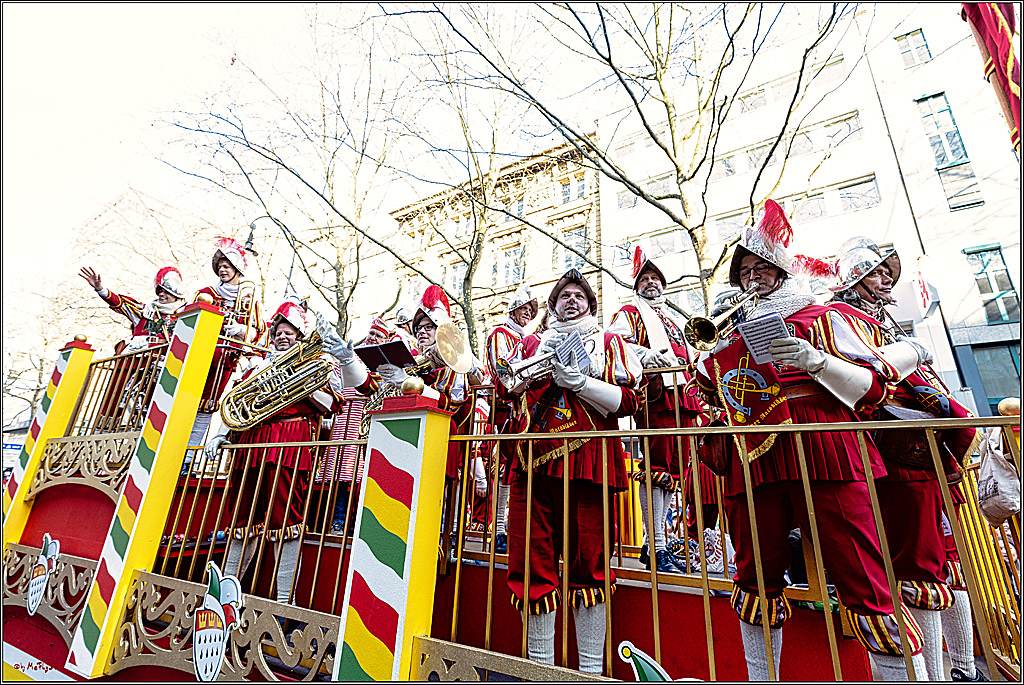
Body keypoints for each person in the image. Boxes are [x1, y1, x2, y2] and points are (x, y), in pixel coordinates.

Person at [694, 200, 927, 681]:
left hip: (828, 453)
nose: (753, 278)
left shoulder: (823, 316)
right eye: (745, 272)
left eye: (762, 268)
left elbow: (874, 386)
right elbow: (715, 405)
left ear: (782, 270)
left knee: (866, 579)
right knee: (754, 580)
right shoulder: (726, 337)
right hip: (755, 462)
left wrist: (815, 360)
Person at [825, 237, 984, 682]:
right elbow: (874, 376)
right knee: (918, 567)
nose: (885, 283)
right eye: (876, 274)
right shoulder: (842, 318)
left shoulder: (882, 321)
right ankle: (934, 674)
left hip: (930, 450)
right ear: (855, 279)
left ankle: (963, 668)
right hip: (899, 453)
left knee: (945, 565)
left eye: (886, 275)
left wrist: (951, 416)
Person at [505, 268, 644, 674]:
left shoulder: (608, 342)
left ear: (590, 304)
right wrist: (518, 381)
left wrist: (580, 382)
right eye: (563, 295)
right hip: (533, 463)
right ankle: (542, 670)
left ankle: (590, 673)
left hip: (590, 462)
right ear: (552, 305)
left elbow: (629, 402)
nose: (571, 301)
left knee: (592, 563)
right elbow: (506, 389)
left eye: (578, 296)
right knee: (532, 562)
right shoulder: (531, 342)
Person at [204, 301, 343, 604]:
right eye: (278, 331)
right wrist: (220, 434)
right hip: (250, 444)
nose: (282, 337)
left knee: (286, 519)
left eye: (289, 332)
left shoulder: (315, 364)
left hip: (289, 442)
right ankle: (224, 597)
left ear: (300, 336)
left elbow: (333, 405)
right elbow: (236, 404)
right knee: (240, 518)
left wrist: (302, 383)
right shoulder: (258, 365)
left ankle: (284, 602)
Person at [608, 247, 709, 573]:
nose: (652, 283)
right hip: (658, 395)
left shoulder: (672, 317)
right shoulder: (630, 311)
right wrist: (650, 358)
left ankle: (657, 545)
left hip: (685, 395)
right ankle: (655, 545)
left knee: (673, 473)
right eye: (646, 278)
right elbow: (615, 343)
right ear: (637, 285)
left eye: (656, 278)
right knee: (656, 468)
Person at [485, 284, 540, 555]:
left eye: (531, 310)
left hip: (526, 405)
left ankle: (512, 526)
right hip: (507, 405)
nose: (527, 314)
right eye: (524, 309)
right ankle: (497, 529)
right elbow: (502, 367)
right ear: (514, 309)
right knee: (504, 466)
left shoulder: (527, 337)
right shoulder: (500, 333)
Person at [193, 237, 266, 437]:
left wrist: (242, 330)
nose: (222, 270)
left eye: (227, 266)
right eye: (220, 266)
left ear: (237, 268)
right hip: (199, 355)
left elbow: (259, 331)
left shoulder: (248, 298)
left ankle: (189, 456)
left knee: (208, 405)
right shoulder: (205, 293)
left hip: (226, 360)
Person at [79, 265, 187, 352]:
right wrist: (100, 289)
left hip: (165, 361)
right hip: (136, 359)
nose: (161, 294)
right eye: (159, 291)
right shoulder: (145, 311)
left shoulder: (184, 314)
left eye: (165, 291)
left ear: (176, 293)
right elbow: (120, 303)